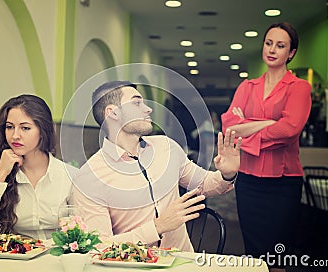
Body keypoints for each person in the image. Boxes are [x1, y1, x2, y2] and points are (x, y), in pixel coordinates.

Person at [73, 81, 242, 252]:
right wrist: (157, 227)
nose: (148, 109)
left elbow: (204, 184)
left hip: (183, 262)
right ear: (113, 113)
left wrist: (226, 174)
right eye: (137, 103)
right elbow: (99, 247)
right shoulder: (89, 177)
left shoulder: (167, 147)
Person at [221, 22, 311, 272]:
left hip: (283, 184)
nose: (272, 49)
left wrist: (246, 126)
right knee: (254, 258)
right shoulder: (246, 87)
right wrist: (266, 123)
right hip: (248, 182)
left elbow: (289, 129)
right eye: (269, 43)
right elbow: (229, 126)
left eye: (280, 46)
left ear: (290, 53)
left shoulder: (299, 88)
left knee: (277, 259)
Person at [0, 94, 77, 243]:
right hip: (15, 259)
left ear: (43, 131)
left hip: (57, 259)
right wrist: (0, 174)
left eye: (25, 128)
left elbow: (82, 233)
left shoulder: (70, 176)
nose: (15, 136)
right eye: (9, 127)